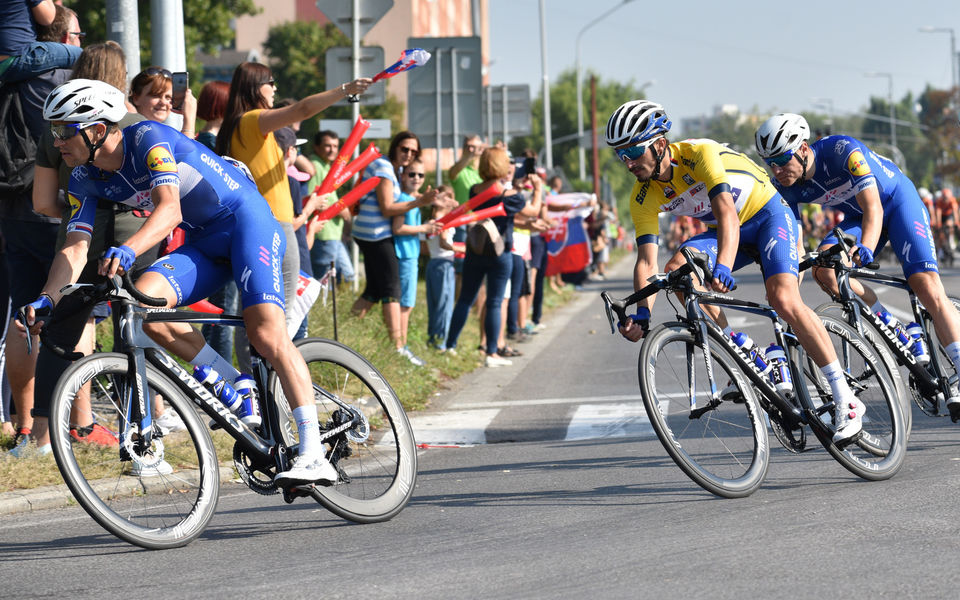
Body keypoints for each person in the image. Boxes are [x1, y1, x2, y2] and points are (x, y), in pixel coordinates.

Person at [20, 78, 340, 485]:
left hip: (247, 223)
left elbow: (169, 210)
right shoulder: (84, 176)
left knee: (265, 334)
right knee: (149, 310)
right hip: (205, 242)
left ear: (97, 129)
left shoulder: (147, 138)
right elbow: (75, 247)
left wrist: (130, 249)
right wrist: (48, 298)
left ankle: (313, 452)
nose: (57, 140)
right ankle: (234, 386)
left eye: (64, 130)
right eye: (53, 130)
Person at [610, 101, 863, 443]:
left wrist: (724, 267)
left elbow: (727, 212)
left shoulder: (699, 154)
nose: (628, 163)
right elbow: (646, 261)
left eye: (633, 151)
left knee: (783, 298)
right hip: (731, 234)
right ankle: (745, 350)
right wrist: (642, 314)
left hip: (769, 217)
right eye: (620, 155)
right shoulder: (642, 195)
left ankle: (844, 397)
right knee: (678, 272)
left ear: (658, 144)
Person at [755, 112, 960, 418]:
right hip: (856, 219)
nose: (777, 169)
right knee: (822, 268)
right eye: (769, 162)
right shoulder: (785, 185)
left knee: (925, 285)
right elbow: (796, 248)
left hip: (895, 204)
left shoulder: (842, 151)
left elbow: (874, 207)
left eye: (782, 159)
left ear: (803, 148)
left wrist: (865, 245)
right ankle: (894, 327)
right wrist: (788, 296)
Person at [29, 40, 158, 451]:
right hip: (133, 235)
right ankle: (138, 430)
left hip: (77, 234)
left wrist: (76, 212)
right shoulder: (139, 124)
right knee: (134, 329)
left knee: (61, 325)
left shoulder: (58, 130)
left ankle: (41, 434)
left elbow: (41, 202)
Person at [216, 62, 370, 336]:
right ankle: (275, 374)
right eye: (270, 82)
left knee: (252, 313)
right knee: (280, 314)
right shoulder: (253, 120)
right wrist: (344, 89)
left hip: (255, 224)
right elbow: (302, 110)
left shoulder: (237, 125)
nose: (275, 88)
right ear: (255, 87)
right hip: (274, 224)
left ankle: (254, 375)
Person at [0, 5, 80, 456]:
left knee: (23, 313)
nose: (77, 44)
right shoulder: (52, 76)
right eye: (75, 36)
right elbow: (60, 140)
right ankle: (64, 427)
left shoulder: (9, 74)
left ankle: (24, 427)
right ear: (58, 37)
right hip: (47, 207)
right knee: (67, 311)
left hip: (10, 205)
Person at [444, 147, 543, 367]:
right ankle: (491, 352)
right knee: (495, 302)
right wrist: (537, 189)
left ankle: (449, 345)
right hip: (500, 252)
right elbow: (533, 211)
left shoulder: (474, 190)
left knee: (465, 299)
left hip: (475, 248)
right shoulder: (510, 196)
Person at [351, 131, 443, 358]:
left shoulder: (395, 169)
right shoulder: (384, 167)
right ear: (395, 148)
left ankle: (347, 330)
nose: (409, 154)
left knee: (373, 290)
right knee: (392, 289)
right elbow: (387, 208)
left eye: (414, 151)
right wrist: (419, 202)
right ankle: (398, 348)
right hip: (375, 234)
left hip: (371, 233)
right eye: (405, 149)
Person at [194, 80, 239, 361]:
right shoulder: (214, 144)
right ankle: (220, 379)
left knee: (217, 309)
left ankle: (209, 372)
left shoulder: (203, 140)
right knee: (225, 310)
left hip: (206, 230)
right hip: (223, 229)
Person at [392, 158, 443, 365]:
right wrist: (424, 229)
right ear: (403, 176)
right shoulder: (405, 199)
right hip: (404, 255)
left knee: (408, 303)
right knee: (405, 304)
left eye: (420, 175)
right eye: (411, 174)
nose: (416, 178)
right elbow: (398, 228)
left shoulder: (414, 199)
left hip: (410, 254)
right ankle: (400, 347)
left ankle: (402, 346)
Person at [306, 130, 355, 284]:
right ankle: (321, 308)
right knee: (321, 281)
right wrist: (340, 209)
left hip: (333, 234)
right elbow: (312, 199)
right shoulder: (315, 166)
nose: (332, 150)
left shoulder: (326, 167)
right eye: (327, 146)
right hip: (323, 235)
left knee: (347, 276)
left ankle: (337, 306)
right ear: (316, 147)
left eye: (335, 146)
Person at [0, 0, 81, 83]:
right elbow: (47, 18)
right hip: (14, 55)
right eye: (79, 37)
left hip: (6, 59)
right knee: (83, 55)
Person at [424, 189, 458, 352]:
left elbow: (424, 247)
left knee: (434, 304)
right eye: (447, 197)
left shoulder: (430, 221)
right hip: (444, 264)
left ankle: (433, 338)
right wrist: (462, 249)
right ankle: (441, 343)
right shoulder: (443, 221)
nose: (451, 201)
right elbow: (444, 242)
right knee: (444, 305)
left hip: (432, 263)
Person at [129, 66, 196, 137]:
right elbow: (187, 148)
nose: (163, 102)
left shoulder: (167, 134)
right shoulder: (135, 132)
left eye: (168, 97)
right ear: (136, 98)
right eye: (156, 95)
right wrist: (189, 121)